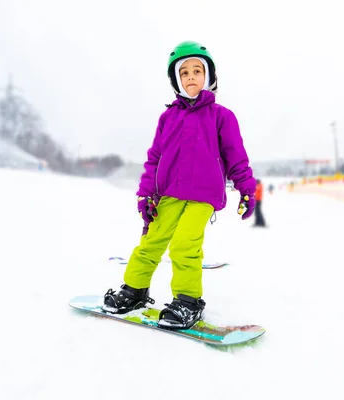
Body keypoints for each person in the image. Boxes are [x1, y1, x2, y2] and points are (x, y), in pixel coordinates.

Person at [102, 41, 257, 330]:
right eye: (184, 72)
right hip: (168, 195)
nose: (191, 77)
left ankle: (188, 300)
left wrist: (247, 188)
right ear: (176, 80)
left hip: (202, 196)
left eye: (197, 70)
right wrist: (145, 194)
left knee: (185, 244)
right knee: (151, 242)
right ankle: (134, 290)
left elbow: (236, 156)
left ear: (209, 77)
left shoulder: (221, 116)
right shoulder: (168, 117)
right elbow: (154, 159)